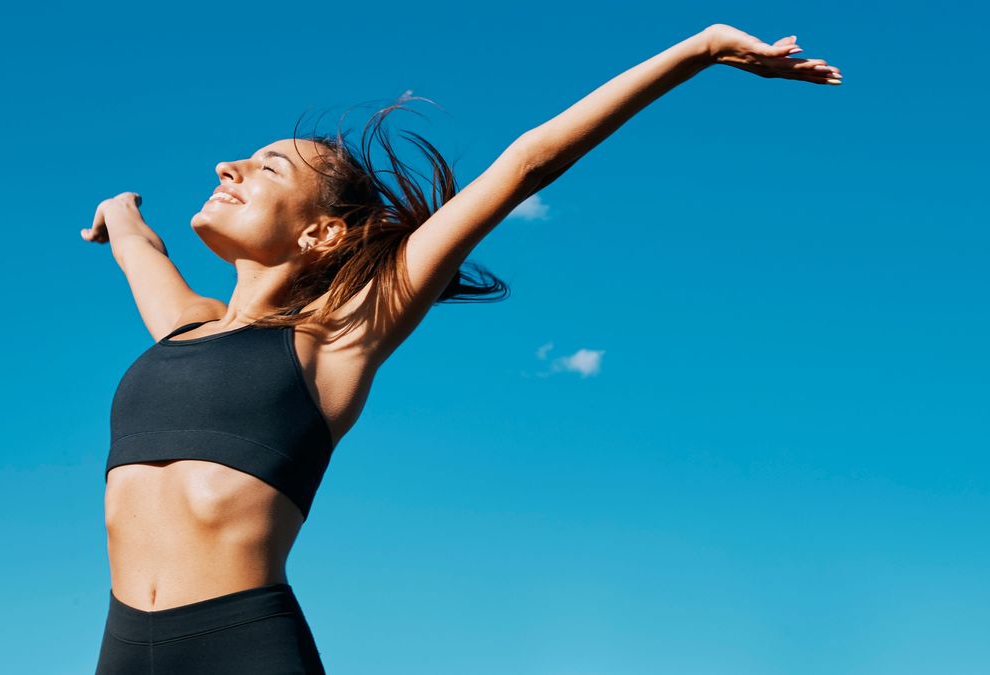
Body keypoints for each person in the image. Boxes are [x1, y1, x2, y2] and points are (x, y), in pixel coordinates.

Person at [81, 23, 840, 674]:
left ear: (322, 233)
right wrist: (118, 211)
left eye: (268, 166)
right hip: (120, 644)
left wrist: (699, 49)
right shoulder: (182, 325)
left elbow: (525, 164)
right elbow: (136, 244)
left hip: (240, 641)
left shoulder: (344, 333)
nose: (228, 166)